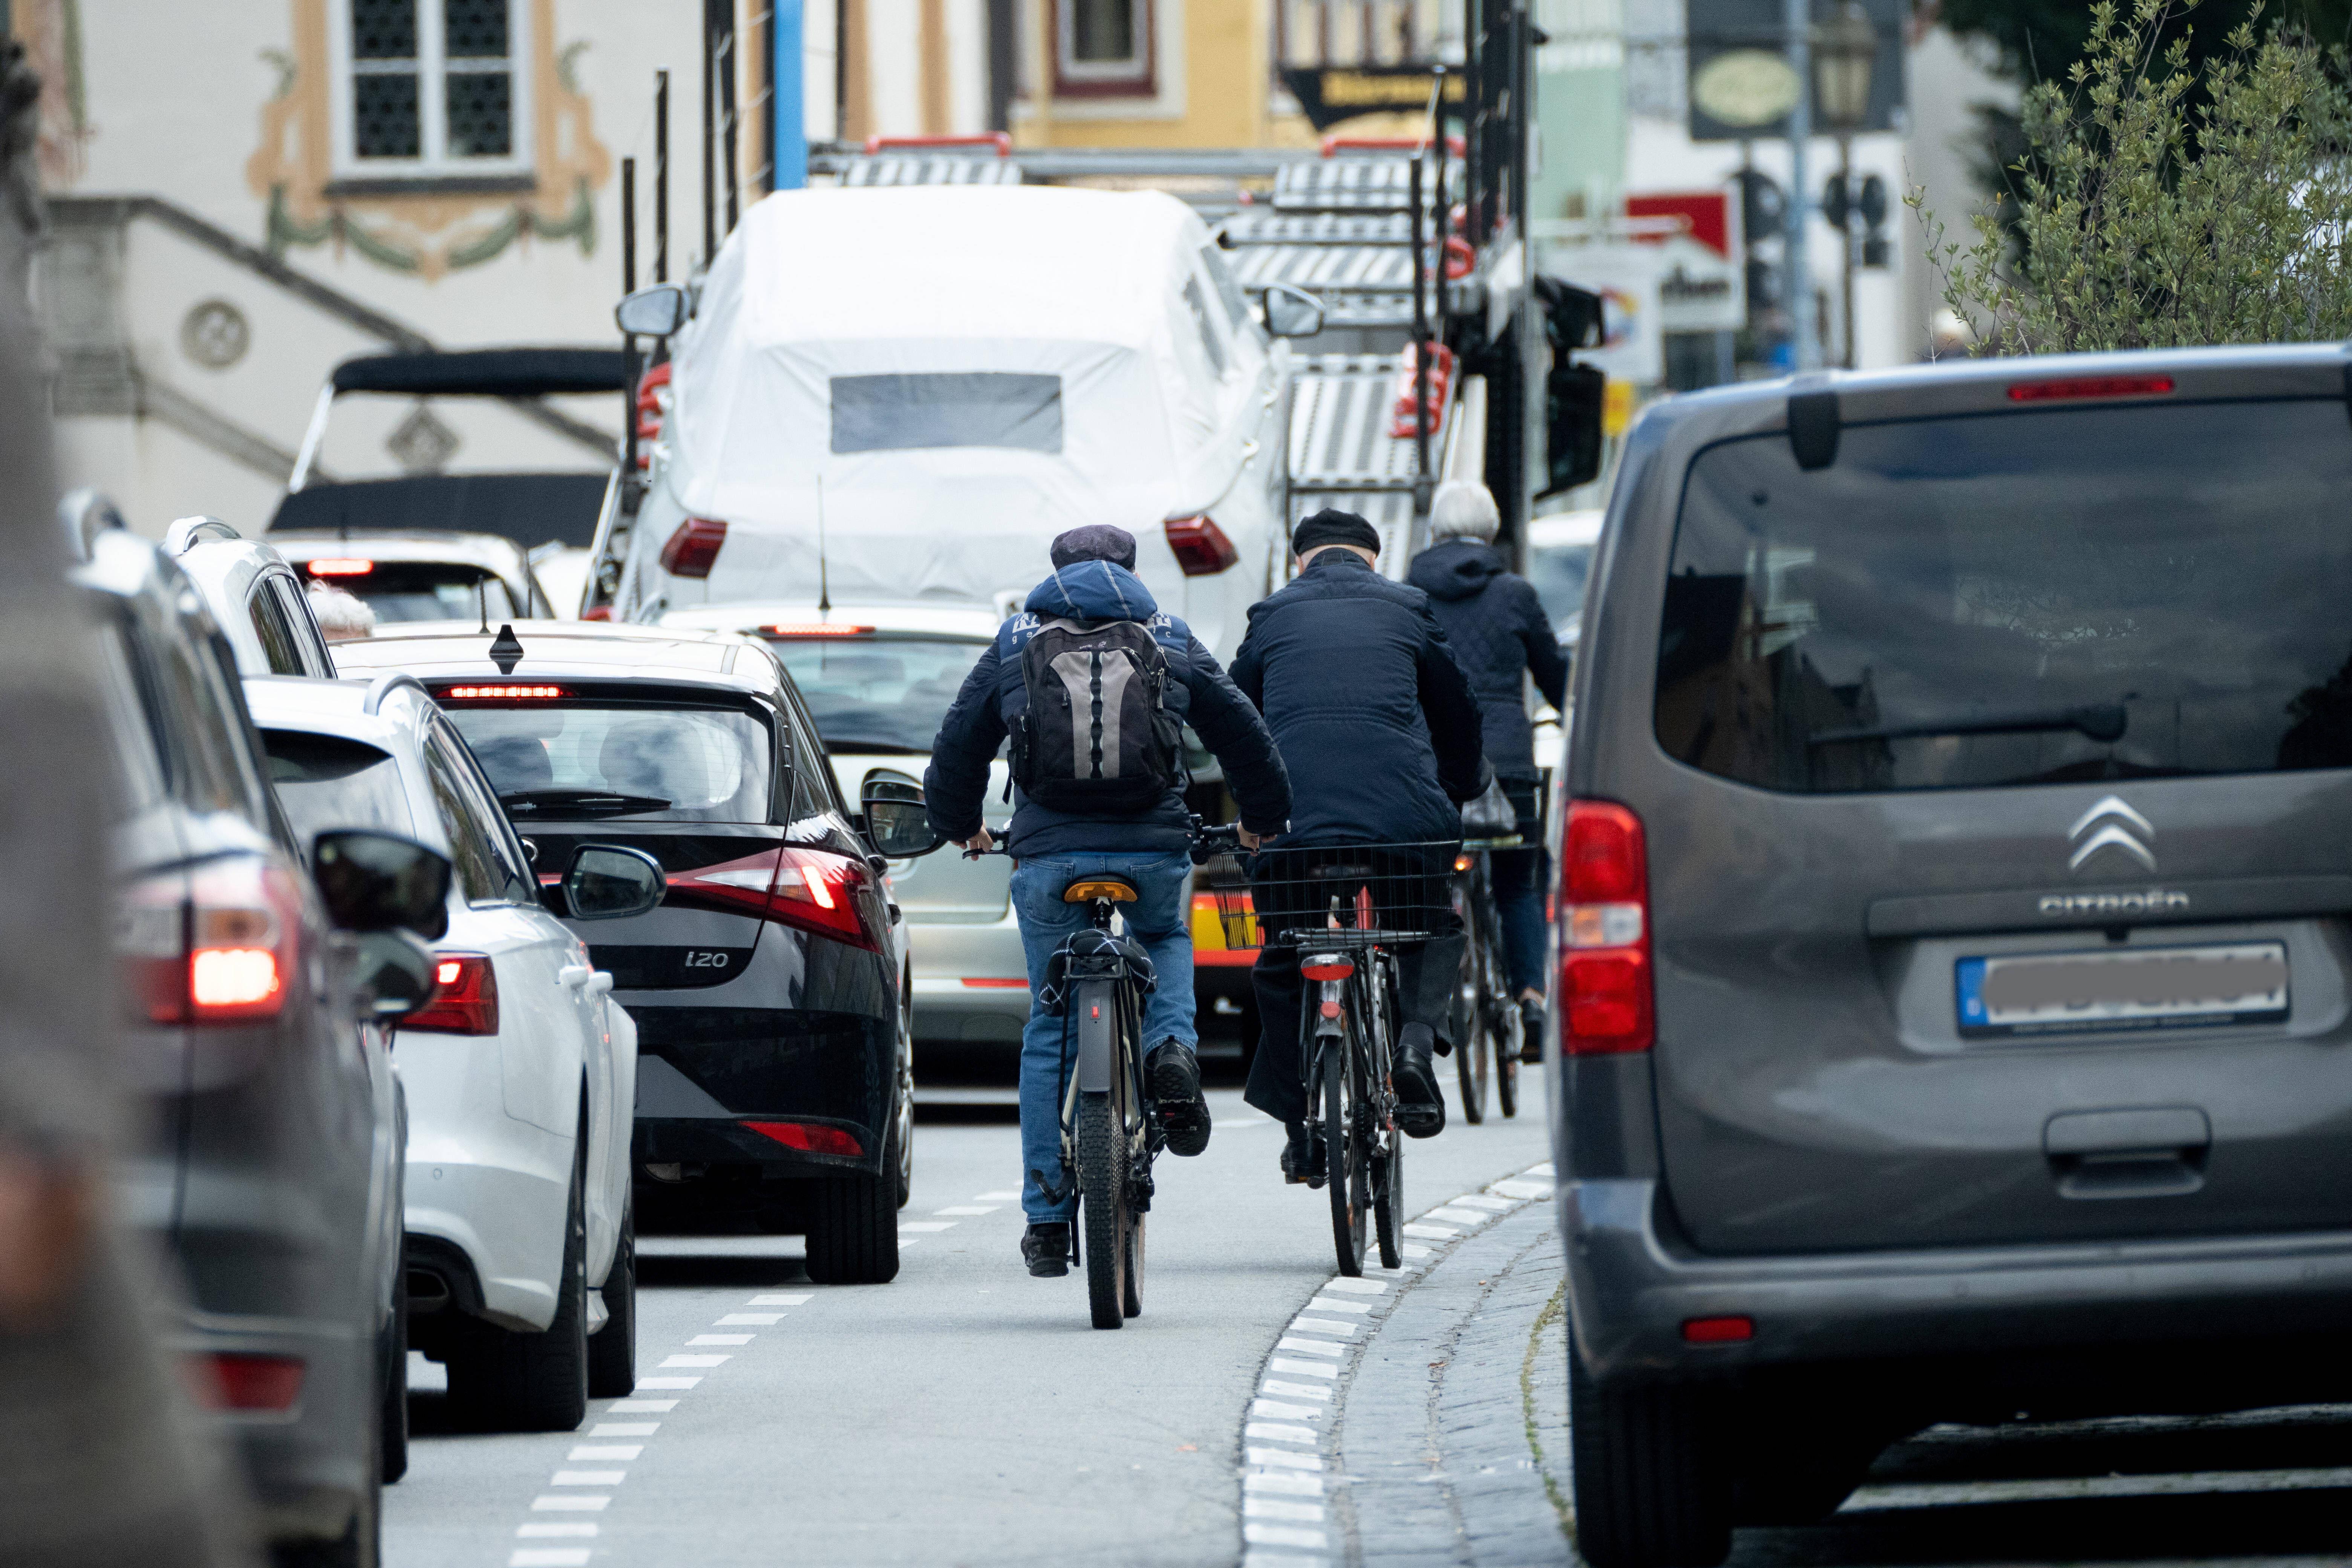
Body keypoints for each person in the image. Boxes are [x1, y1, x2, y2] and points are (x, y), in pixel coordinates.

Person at [926, 525, 1291, 1277]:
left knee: (1050, 1022)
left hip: (1049, 856)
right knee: (1164, 936)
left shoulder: (1014, 640)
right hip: (1152, 850)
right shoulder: (1169, 634)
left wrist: (961, 825)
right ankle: (1170, 1050)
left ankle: (1048, 1220)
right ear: (1130, 571)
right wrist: (1260, 818)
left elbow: (958, 745)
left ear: (1055, 572)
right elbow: (1244, 736)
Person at [1230, 509, 1488, 1174]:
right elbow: (1458, 712)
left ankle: (1299, 1130)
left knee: (1284, 953)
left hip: (1292, 826)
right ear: (1376, 557)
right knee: (1428, 925)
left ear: (1300, 562)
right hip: (1403, 820)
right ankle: (1411, 1045)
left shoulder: (1271, 617)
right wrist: (1454, 790)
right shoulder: (1409, 608)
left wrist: (1251, 813)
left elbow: (1234, 720)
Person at [1406, 480, 1571, 1044]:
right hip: (1509, 765)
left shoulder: (1409, 594)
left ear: (1435, 530)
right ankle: (1529, 997)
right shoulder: (1516, 594)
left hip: (1434, 766)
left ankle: (1437, 998)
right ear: (1493, 528)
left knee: (1431, 886)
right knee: (1517, 885)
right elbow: (1556, 677)